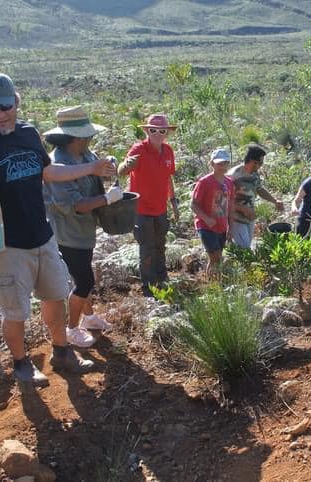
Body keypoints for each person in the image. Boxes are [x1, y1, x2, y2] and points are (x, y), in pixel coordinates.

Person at [0, 72, 116, 387]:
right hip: (4, 245)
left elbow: (48, 172)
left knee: (55, 297)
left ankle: (61, 351)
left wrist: (91, 168)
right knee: (15, 311)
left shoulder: (27, 133)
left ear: (16, 101)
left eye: (5, 106)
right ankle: (22, 364)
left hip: (43, 235)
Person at [43, 106, 122, 348]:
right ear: (74, 137)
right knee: (84, 282)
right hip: (67, 234)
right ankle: (72, 329)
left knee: (83, 274)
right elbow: (76, 205)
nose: (90, 138)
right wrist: (107, 199)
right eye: (87, 135)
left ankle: (88, 317)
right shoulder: (57, 165)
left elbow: (98, 172)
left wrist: (110, 166)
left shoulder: (86, 155)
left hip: (84, 230)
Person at [117, 113, 179, 295]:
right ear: (147, 131)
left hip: (161, 209)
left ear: (167, 133)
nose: (157, 134)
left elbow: (168, 178)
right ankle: (148, 287)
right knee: (146, 248)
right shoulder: (139, 149)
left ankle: (162, 279)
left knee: (160, 245)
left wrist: (173, 202)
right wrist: (126, 165)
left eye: (162, 131)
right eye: (153, 130)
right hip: (141, 210)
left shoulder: (168, 151)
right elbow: (122, 171)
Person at [227, 143, 284, 249]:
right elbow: (224, 201)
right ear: (253, 161)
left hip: (250, 217)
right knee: (244, 248)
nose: (261, 166)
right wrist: (242, 209)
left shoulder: (255, 174)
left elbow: (259, 189)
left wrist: (275, 201)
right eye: (260, 163)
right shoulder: (233, 175)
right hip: (236, 218)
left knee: (247, 246)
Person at [191, 148, 235, 280]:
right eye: (219, 163)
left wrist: (230, 227)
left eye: (225, 163)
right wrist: (207, 219)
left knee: (217, 258)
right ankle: (215, 284)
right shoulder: (204, 182)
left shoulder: (229, 183)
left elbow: (230, 206)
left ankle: (212, 282)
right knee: (216, 257)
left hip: (221, 226)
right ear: (212, 164)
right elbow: (193, 204)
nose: (222, 166)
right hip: (205, 226)